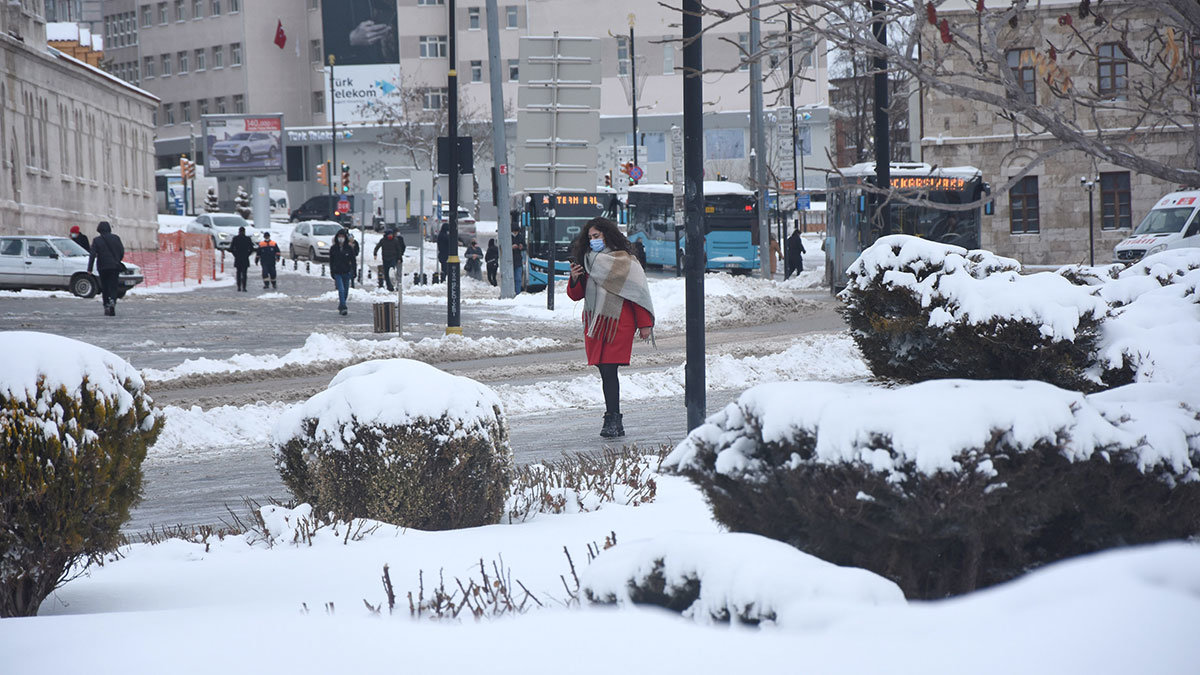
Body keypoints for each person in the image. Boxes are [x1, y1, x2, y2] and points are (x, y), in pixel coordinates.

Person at [566, 217, 655, 438]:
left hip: (618, 323)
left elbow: (637, 294)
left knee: (608, 370)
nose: (593, 240)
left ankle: (613, 419)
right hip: (596, 323)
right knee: (604, 371)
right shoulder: (587, 260)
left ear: (608, 234)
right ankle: (613, 419)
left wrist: (645, 325)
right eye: (590, 237)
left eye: (597, 236)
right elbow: (576, 296)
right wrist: (575, 279)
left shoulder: (626, 261)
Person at [87, 221, 124, 316]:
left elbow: (92, 255)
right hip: (114, 266)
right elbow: (121, 251)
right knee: (113, 286)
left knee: (105, 286)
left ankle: (106, 304)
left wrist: (90, 268)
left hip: (103, 267)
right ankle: (113, 301)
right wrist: (117, 260)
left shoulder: (96, 240)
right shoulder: (116, 238)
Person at [329, 228, 357, 315]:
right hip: (337, 272)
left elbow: (353, 260)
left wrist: (354, 271)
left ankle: (341, 304)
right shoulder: (334, 248)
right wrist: (332, 271)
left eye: (342, 237)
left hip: (346, 272)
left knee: (346, 291)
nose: (341, 238)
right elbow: (331, 261)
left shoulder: (349, 248)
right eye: (339, 236)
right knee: (341, 290)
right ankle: (344, 307)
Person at [229, 226, 255, 292]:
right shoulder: (248, 239)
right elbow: (252, 249)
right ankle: (244, 287)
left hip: (238, 258)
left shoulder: (235, 238)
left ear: (239, 231)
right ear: (244, 231)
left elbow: (231, 249)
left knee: (238, 272)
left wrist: (235, 254)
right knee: (244, 273)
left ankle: (238, 287)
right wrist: (247, 255)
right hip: (245, 258)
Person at [511, 223, 526, 292]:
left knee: (518, 278)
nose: (515, 233)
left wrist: (521, 247)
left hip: (518, 260)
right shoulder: (508, 237)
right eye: (514, 231)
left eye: (516, 231)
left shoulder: (520, 237)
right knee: (511, 278)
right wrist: (511, 247)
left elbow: (525, 247)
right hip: (510, 261)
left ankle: (518, 293)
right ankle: (512, 291)